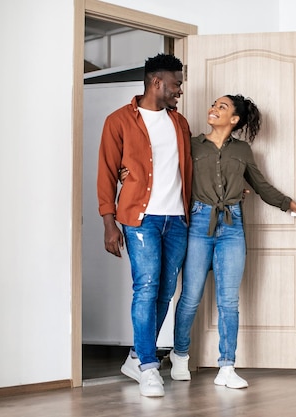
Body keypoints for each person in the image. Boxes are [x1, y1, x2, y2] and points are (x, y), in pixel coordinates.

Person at [167, 94, 296, 389]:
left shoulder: (243, 150)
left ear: (234, 119)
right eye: (213, 105)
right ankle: (180, 355)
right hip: (198, 224)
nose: (213, 109)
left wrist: (290, 205)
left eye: (222, 107)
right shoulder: (192, 144)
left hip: (232, 227)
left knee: (229, 301)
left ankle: (227, 367)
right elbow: (173, 177)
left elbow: (259, 185)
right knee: (191, 296)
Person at [97, 53, 192, 397]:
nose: (179, 90)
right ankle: (149, 368)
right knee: (147, 288)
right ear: (157, 82)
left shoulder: (179, 123)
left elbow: (189, 169)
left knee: (166, 290)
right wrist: (109, 223)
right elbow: (107, 173)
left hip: (177, 220)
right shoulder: (119, 120)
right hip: (140, 220)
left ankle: (136, 356)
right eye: (176, 84)